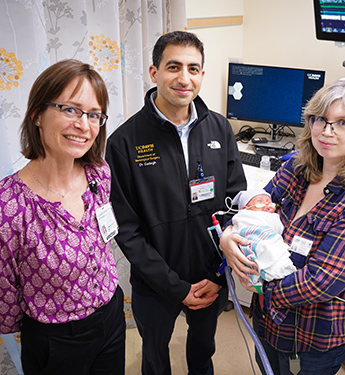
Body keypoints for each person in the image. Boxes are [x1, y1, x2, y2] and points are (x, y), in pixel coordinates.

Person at [220, 80, 345, 375]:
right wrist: (227, 237)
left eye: (342, 123)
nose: (327, 131)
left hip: (314, 336)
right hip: (269, 321)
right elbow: (254, 210)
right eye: (320, 119)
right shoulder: (296, 169)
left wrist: (258, 285)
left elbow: (320, 281)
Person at [105, 31, 246, 375]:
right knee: (154, 358)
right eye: (174, 67)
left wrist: (217, 272)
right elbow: (127, 229)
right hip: (156, 283)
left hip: (210, 273)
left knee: (203, 351)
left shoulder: (220, 129)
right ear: (154, 73)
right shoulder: (124, 142)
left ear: (201, 75)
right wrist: (175, 287)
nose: (184, 78)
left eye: (194, 69)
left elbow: (233, 200)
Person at [0, 59, 125, 375]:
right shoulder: (6, 208)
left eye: (94, 115)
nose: (84, 125)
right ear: (37, 114)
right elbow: (0, 297)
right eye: (70, 109)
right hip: (56, 340)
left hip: (112, 316)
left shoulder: (99, 174)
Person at [230, 189, 296, 289]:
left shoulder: (274, 217)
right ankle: (271, 271)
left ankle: (274, 271)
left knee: (273, 250)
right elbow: (238, 226)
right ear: (245, 208)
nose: (266, 204)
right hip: (252, 235)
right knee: (262, 250)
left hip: (268, 236)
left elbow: (278, 230)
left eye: (269, 202)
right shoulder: (245, 216)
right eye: (259, 202)